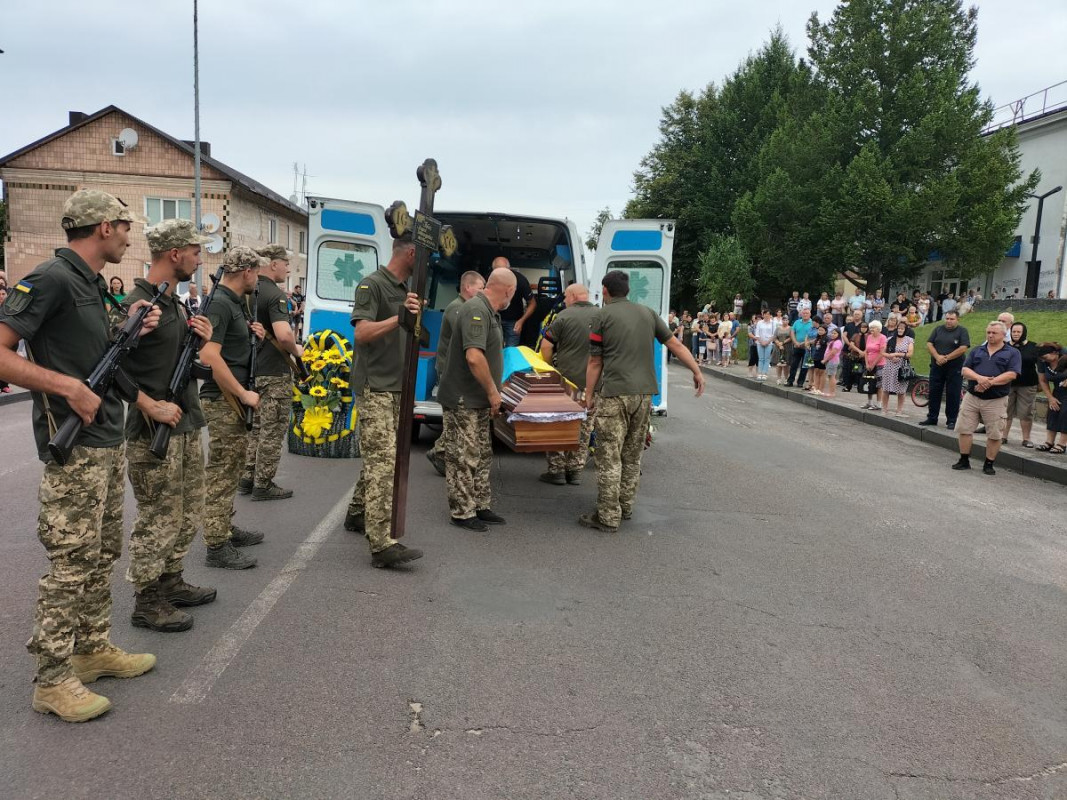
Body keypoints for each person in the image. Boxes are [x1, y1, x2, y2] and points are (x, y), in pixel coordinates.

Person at [0, 189, 160, 722]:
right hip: (75, 448)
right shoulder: (50, 278)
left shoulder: (90, 283)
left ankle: (90, 650)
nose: (131, 235)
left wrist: (129, 326)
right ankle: (51, 679)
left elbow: (96, 354)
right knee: (70, 563)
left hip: (106, 440)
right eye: (125, 226)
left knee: (101, 552)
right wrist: (66, 388)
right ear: (103, 228)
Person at [122, 219, 217, 633]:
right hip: (153, 432)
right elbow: (112, 369)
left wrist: (202, 336)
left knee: (186, 510)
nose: (200, 258)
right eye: (195, 251)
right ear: (174, 254)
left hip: (185, 423)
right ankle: (147, 598)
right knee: (158, 516)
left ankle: (170, 580)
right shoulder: (138, 303)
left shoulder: (174, 302)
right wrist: (148, 405)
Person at [580, 270, 704, 531]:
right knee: (632, 455)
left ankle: (607, 516)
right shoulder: (648, 313)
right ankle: (625, 507)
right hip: (644, 394)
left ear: (605, 290)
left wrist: (588, 394)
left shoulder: (601, 316)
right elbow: (676, 345)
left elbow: (595, 361)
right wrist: (696, 371)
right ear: (627, 290)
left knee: (609, 456)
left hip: (614, 393)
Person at [342, 234, 425, 566]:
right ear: (411, 252)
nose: (425, 264)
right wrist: (399, 317)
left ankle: (357, 512)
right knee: (384, 462)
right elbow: (361, 333)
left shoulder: (406, 291)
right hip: (374, 386)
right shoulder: (372, 285)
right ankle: (382, 544)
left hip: (396, 387)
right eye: (423, 257)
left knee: (381, 456)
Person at [199, 246, 267, 569]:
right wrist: (242, 393)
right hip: (224, 399)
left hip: (233, 401)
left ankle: (223, 526)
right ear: (247, 272)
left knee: (231, 468)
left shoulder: (236, 303)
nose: (258, 278)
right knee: (222, 472)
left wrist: (258, 336)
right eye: (256, 272)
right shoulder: (221, 304)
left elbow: (235, 350)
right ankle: (216, 544)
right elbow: (209, 356)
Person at [438, 267, 516, 531]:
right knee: (463, 456)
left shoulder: (489, 312)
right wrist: (494, 392)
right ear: (509, 290)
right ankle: (462, 512)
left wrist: (496, 390)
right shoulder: (475, 310)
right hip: (464, 399)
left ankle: (481, 505)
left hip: (479, 399)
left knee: (482, 454)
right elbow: (474, 356)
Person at [238, 245, 302, 501]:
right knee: (273, 430)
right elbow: (284, 335)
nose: (288, 268)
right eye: (286, 262)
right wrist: (297, 350)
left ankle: (248, 476)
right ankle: (263, 483)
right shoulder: (275, 295)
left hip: (252, 370)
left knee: (257, 428)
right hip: (274, 372)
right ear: (273, 264)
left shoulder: (247, 292)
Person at [426, 271, 486, 476]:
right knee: (454, 415)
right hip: (449, 369)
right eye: (480, 288)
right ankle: (441, 451)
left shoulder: (464, 307)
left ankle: (441, 451)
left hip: (454, 368)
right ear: (468, 288)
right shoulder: (458, 309)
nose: (483, 292)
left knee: (455, 417)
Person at [539, 282, 598, 485]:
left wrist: (550, 370)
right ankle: (575, 471)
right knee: (584, 427)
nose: (564, 301)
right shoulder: (603, 316)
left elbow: (546, 346)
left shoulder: (564, 316)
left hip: (566, 382)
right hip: (593, 384)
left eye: (565, 297)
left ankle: (556, 470)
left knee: (559, 423)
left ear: (572, 297)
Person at [952, 321, 1021, 475]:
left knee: (995, 433)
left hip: (996, 399)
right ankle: (964, 460)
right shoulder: (977, 350)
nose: (990, 335)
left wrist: (989, 382)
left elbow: (1012, 374)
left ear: (1004, 335)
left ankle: (989, 463)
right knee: (964, 428)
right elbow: (965, 369)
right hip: (973, 396)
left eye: (994, 333)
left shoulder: (1012, 353)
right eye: (988, 332)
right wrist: (979, 378)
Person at [918, 310, 970, 429]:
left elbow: (963, 348)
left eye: (952, 319)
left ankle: (952, 420)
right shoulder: (938, 329)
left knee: (953, 393)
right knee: (934, 391)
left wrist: (946, 358)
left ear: (957, 320)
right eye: (947, 318)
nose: (949, 321)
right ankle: (932, 417)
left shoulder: (962, 331)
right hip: (937, 366)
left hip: (954, 367)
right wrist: (937, 356)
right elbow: (930, 344)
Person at [1004, 322, 1040, 448]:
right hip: (1007, 384)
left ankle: (1026, 438)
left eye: (1019, 332)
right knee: (1005, 411)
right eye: (1014, 332)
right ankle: (1003, 436)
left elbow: (1041, 366)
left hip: (1027, 384)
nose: (1016, 334)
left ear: (1024, 332)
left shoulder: (1033, 346)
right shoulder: (1005, 346)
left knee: (1026, 412)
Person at [497, 256, 536, 348]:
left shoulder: (520, 280)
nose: (501, 275)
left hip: (514, 321)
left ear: (509, 269)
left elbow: (532, 304)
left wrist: (521, 321)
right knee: (494, 348)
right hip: (494, 319)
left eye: (504, 271)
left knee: (511, 351)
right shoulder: (489, 278)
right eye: (498, 272)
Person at [880, 319, 914, 416]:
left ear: (905, 329)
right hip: (889, 366)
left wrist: (897, 354)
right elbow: (883, 352)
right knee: (886, 388)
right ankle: (884, 408)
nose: (900, 330)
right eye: (899, 328)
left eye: (902, 328)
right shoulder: (890, 339)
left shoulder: (909, 340)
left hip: (901, 367)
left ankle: (899, 410)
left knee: (901, 390)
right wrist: (890, 356)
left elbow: (910, 354)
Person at [1036, 344, 1067, 453]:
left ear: (1055, 353)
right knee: (1053, 412)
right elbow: (1043, 380)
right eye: (1041, 358)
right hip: (1058, 389)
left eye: (1045, 357)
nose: (1043, 360)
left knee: (1065, 413)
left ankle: (1062, 444)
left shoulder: (1065, 356)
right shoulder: (1043, 361)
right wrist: (1050, 397)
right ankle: (1049, 442)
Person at [860, 320, 887, 410]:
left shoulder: (883, 338)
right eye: (870, 327)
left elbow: (881, 352)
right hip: (869, 363)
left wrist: (874, 364)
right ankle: (869, 402)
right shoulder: (869, 337)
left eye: (873, 328)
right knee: (869, 382)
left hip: (880, 364)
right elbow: (866, 351)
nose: (871, 329)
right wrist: (867, 363)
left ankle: (879, 404)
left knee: (879, 384)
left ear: (879, 329)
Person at [785, 308, 813, 387]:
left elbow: (812, 335)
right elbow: (792, 332)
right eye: (803, 313)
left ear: (810, 314)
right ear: (801, 314)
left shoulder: (812, 323)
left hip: (806, 347)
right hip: (796, 346)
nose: (805, 315)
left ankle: (800, 382)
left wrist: (804, 343)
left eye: (807, 313)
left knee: (804, 366)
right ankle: (790, 381)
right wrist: (795, 342)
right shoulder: (797, 322)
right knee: (794, 364)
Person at [753, 309, 776, 381]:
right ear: (763, 315)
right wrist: (761, 341)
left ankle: (765, 373)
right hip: (760, 342)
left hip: (769, 343)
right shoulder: (760, 322)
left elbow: (774, 334)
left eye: (768, 314)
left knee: (766, 358)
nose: (767, 315)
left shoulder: (773, 323)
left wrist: (767, 342)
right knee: (761, 358)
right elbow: (757, 334)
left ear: (770, 315)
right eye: (765, 314)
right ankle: (760, 373)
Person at [823, 328, 843, 398]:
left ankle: (832, 392)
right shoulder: (832, 341)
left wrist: (825, 360)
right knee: (830, 376)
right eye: (832, 333)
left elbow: (833, 353)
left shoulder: (838, 342)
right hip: (830, 361)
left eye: (835, 333)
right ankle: (831, 391)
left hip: (832, 361)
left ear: (839, 334)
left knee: (831, 376)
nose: (833, 335)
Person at [808, 324, 828, 394]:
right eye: (819, 330)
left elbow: (828, 348)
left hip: (823, 357)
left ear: (825, 331)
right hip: (816, 356)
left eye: (822, 330)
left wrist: (826, 358)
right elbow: (810, 342)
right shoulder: (817, 338)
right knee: (816, 372)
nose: (820, 331)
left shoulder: (826, 339)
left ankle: (820, 389)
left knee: (822, 373)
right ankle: (815, 387)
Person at [774, 316, 792, 385]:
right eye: (784, 320)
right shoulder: (778, 328)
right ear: (782, 321)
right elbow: (774, 337)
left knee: (786, 364)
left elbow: (791, 337)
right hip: (778, 347)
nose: (785, 321)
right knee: (779, 364)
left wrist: (783, 342)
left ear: (788, 321)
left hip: (787, 347)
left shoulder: (790, 328)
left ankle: (786, 378)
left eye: (786, 320)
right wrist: (779, 343)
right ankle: (778, 378)